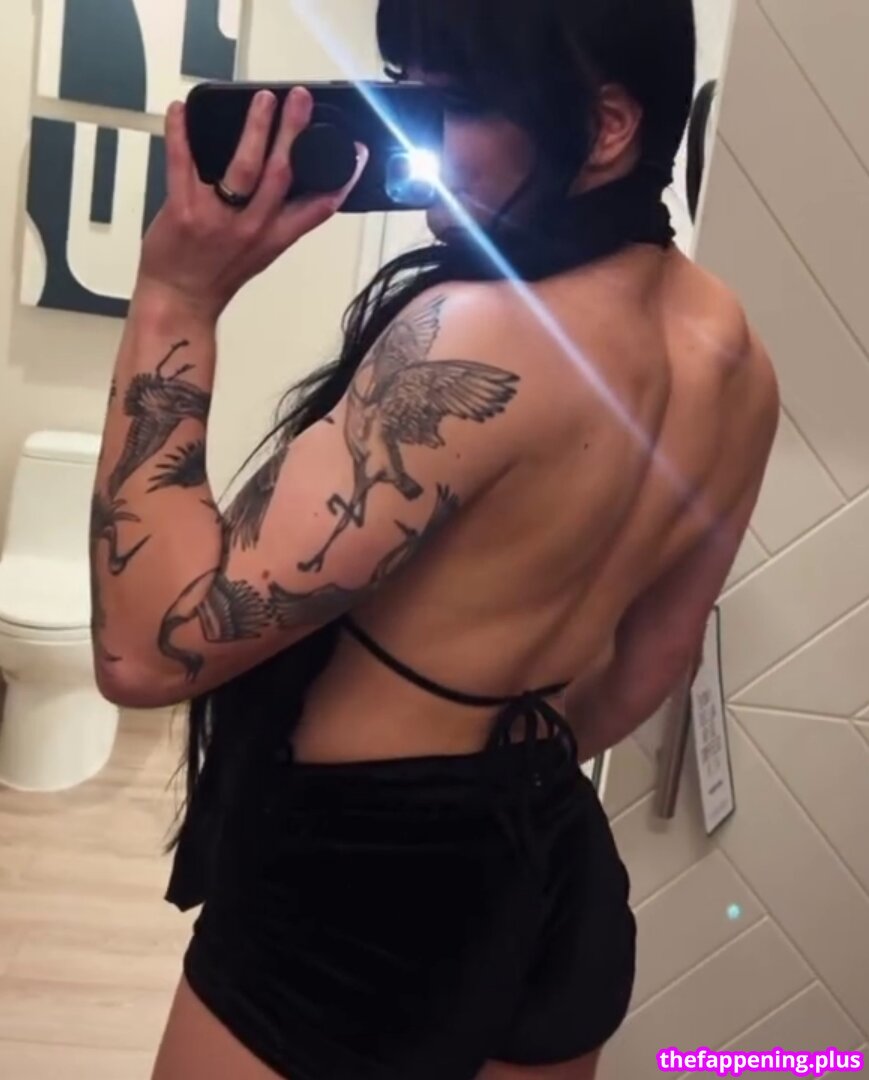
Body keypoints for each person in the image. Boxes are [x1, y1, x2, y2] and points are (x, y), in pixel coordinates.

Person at [89, 1, 779, 1077]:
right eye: (406, 90)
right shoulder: (735, 355)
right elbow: (656, 657)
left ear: (605, 127)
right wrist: (491, 799)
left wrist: (176, 297)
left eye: (453, 105)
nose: (415, 143)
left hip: (357, 893)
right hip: (554, 872)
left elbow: (144, 649)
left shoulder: (478, 333)